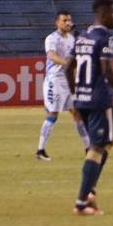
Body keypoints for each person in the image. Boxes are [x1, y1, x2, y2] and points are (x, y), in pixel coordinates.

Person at [69, 0, 113, 215]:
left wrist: (76, 94)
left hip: (82, 100)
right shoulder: (105, 37)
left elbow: (68, 68)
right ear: (103, 13)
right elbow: (107, 70)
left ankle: (89, 193)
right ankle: (82, 202)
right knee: (97, 148)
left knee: (106, 144)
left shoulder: (81, 37)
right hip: (99, 100)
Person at [36, 10, 91, 161]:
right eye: (64, 20)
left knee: (77, 113)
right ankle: (40, 150)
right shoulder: (51, 38)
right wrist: (68, 64)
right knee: (53, 114)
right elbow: (51, 56)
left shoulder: (72, 38)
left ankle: (88, 148)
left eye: (69, 20)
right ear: (57, 23)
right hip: (54, 80)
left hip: (69, 81)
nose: (67, 23)